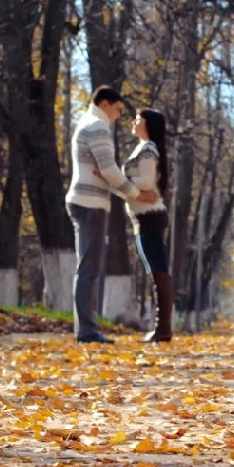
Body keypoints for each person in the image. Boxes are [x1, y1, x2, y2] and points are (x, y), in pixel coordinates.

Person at [65, 86, 157, 344]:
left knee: (88, 267)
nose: (117, 116)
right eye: (116, 109)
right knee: (89, 269)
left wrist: (117, 184)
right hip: (90, 203)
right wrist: (137, 194)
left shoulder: (88, 123)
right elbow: (109, 170)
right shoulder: (97, 126)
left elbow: (105, 174)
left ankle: (86, 328)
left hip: (88, 201)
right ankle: (86, 330)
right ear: (105, 104)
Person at [122, 109, 174, 343]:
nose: (134, 122)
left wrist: (117, 182)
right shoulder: (143, 148)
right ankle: (161, 328)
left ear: (148, 124)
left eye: (138, 119)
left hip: (150, 216)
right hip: (143, 217)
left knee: (158, 272)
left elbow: (146, 182)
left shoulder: (149, 150)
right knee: (156, 272)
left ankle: (162, 328)